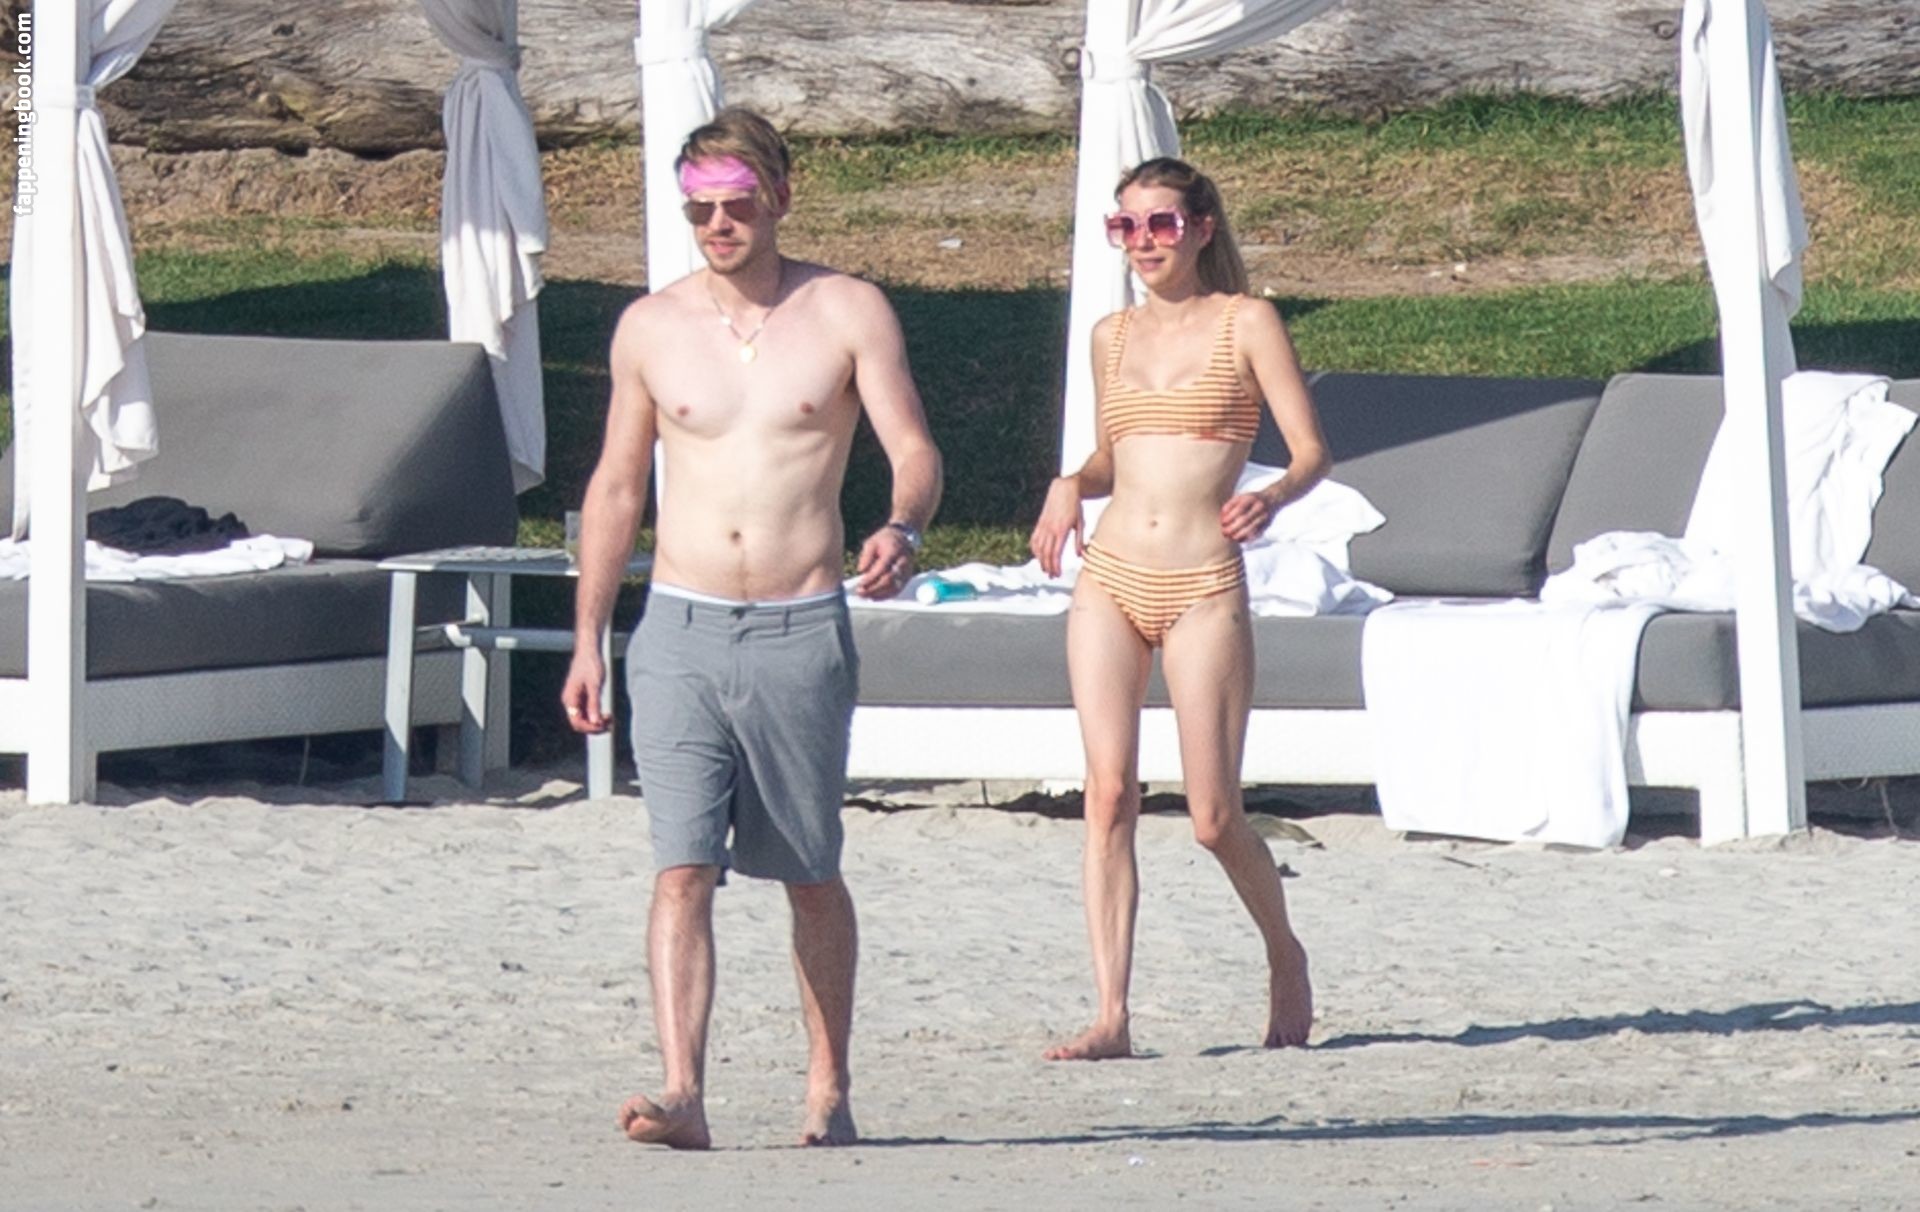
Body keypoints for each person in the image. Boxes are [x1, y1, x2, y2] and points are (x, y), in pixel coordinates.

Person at [562, 107, 942, 1148]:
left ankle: (828, 1086)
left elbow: (914, 448)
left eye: (735, 204)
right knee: (681, 866)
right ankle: (683, 1091)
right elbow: (615, 487)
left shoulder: (847, 310)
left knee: (809, 870)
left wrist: (903, 525)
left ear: (779, 195)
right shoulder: (651, 327)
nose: (718, 225)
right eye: (700, 210)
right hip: (679, 626)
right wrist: (591, 635)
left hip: (796, 626)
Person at [1028, 157, 1328, 1060]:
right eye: (1126, 227)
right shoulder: (1110, 335)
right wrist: (1068, 484)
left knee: (1212, 816)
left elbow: (1310, 452)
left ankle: (1284, 952)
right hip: (1112, 573)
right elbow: (1111, 458)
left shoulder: (1247, 322)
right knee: (1107, 793)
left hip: (1202, 581)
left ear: (1200, 229)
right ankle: (1112, 1015)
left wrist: (1271, 497)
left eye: (1160, 224)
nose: (1143, 242)